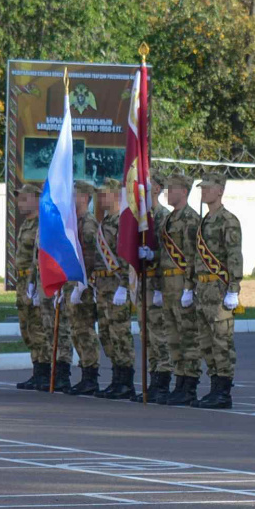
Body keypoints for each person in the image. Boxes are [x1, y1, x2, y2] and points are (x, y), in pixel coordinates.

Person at [187, 173, 242, 409]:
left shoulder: (228, 220)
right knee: (206, 342)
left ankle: (224, 391)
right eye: (202, 188)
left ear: (219, 190)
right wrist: (190, 286)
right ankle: (214, 386)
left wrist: (234, 289)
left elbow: (234, 256)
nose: (204, 192)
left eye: (207, 188)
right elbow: (195, 257)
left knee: (222, 342)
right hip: (203, 289)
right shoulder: (204, 222)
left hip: (219, 290)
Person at [160, 174, 205, 406]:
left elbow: (193, 257)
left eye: (171, 188)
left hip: (181, 284)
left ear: (184, 192)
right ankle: (179, 381)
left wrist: (189, 287)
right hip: (168, 285)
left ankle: (190, 384)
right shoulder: (168, 219)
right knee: (173, 337)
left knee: (188, 337)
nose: (167, 191)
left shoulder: (190, 220)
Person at [92, 178, 136, 400]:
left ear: (117, 195)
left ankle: (126, 381)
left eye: (104, 194)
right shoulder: (104, 222)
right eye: (99, 195)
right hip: (102, 286)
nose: (101, 199)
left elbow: (127, 257)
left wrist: (124, 287)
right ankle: (116, 378)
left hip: (117, 283)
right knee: (107, 334)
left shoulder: (122, 222)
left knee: (120, 333)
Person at [135, 174, 174, 402]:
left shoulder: (163, 217)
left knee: (159, 335)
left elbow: (169, 255)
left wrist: (159, 287)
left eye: (146, 187)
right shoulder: (142, 218)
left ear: (157, 189)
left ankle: (163, 382)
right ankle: (152, 381)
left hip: (157, 284)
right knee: (147, 336)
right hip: (144, 285)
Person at [64, 179, 103, 395]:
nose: (71, 198)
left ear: (85, 198)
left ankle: (91, 377)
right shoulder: (75, 223)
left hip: (84, 286)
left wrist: (80, 285)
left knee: (85, 331)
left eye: (75, 194)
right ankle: (85, 373)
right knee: (76, 331)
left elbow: (89, 258)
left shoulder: (88, 224)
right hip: (73, 283)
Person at [12, 184, 51, 391]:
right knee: (27, 329)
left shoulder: (41, 224)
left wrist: (35, 284)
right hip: (22, 282)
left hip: (33, 282)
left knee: (38, 327)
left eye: (24, 198)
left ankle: (44, 371)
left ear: (36, 199)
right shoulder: (26, 225)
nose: (20, 203)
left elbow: (40, 257)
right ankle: (37, 369)